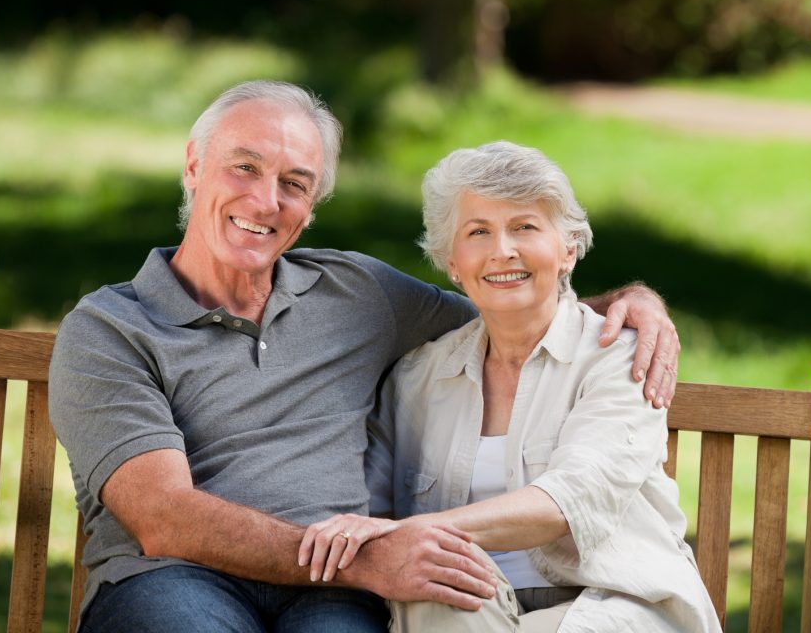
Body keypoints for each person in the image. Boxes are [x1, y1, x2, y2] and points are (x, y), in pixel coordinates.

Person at [48, 80, 682, 633]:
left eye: (295, 184)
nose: (267, 201)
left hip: (335, 593)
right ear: (193, 166)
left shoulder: (358, 294)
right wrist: (369, 558)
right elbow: (165, 518)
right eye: (244, 168)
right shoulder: (111, 329)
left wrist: (631, 299)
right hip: (177, 578)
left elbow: (508, 305)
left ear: (312, 205)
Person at [299, 141, 721, 632]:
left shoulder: (619, 357)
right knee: (432, 587)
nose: (502, 251)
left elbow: (570, 499)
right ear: (451, 262)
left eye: (525, 226)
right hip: (474, 609)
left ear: (567, 250)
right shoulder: (418, 377)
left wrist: (408, 532)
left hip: (614, 605)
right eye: (478, 232)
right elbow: (368, 510)